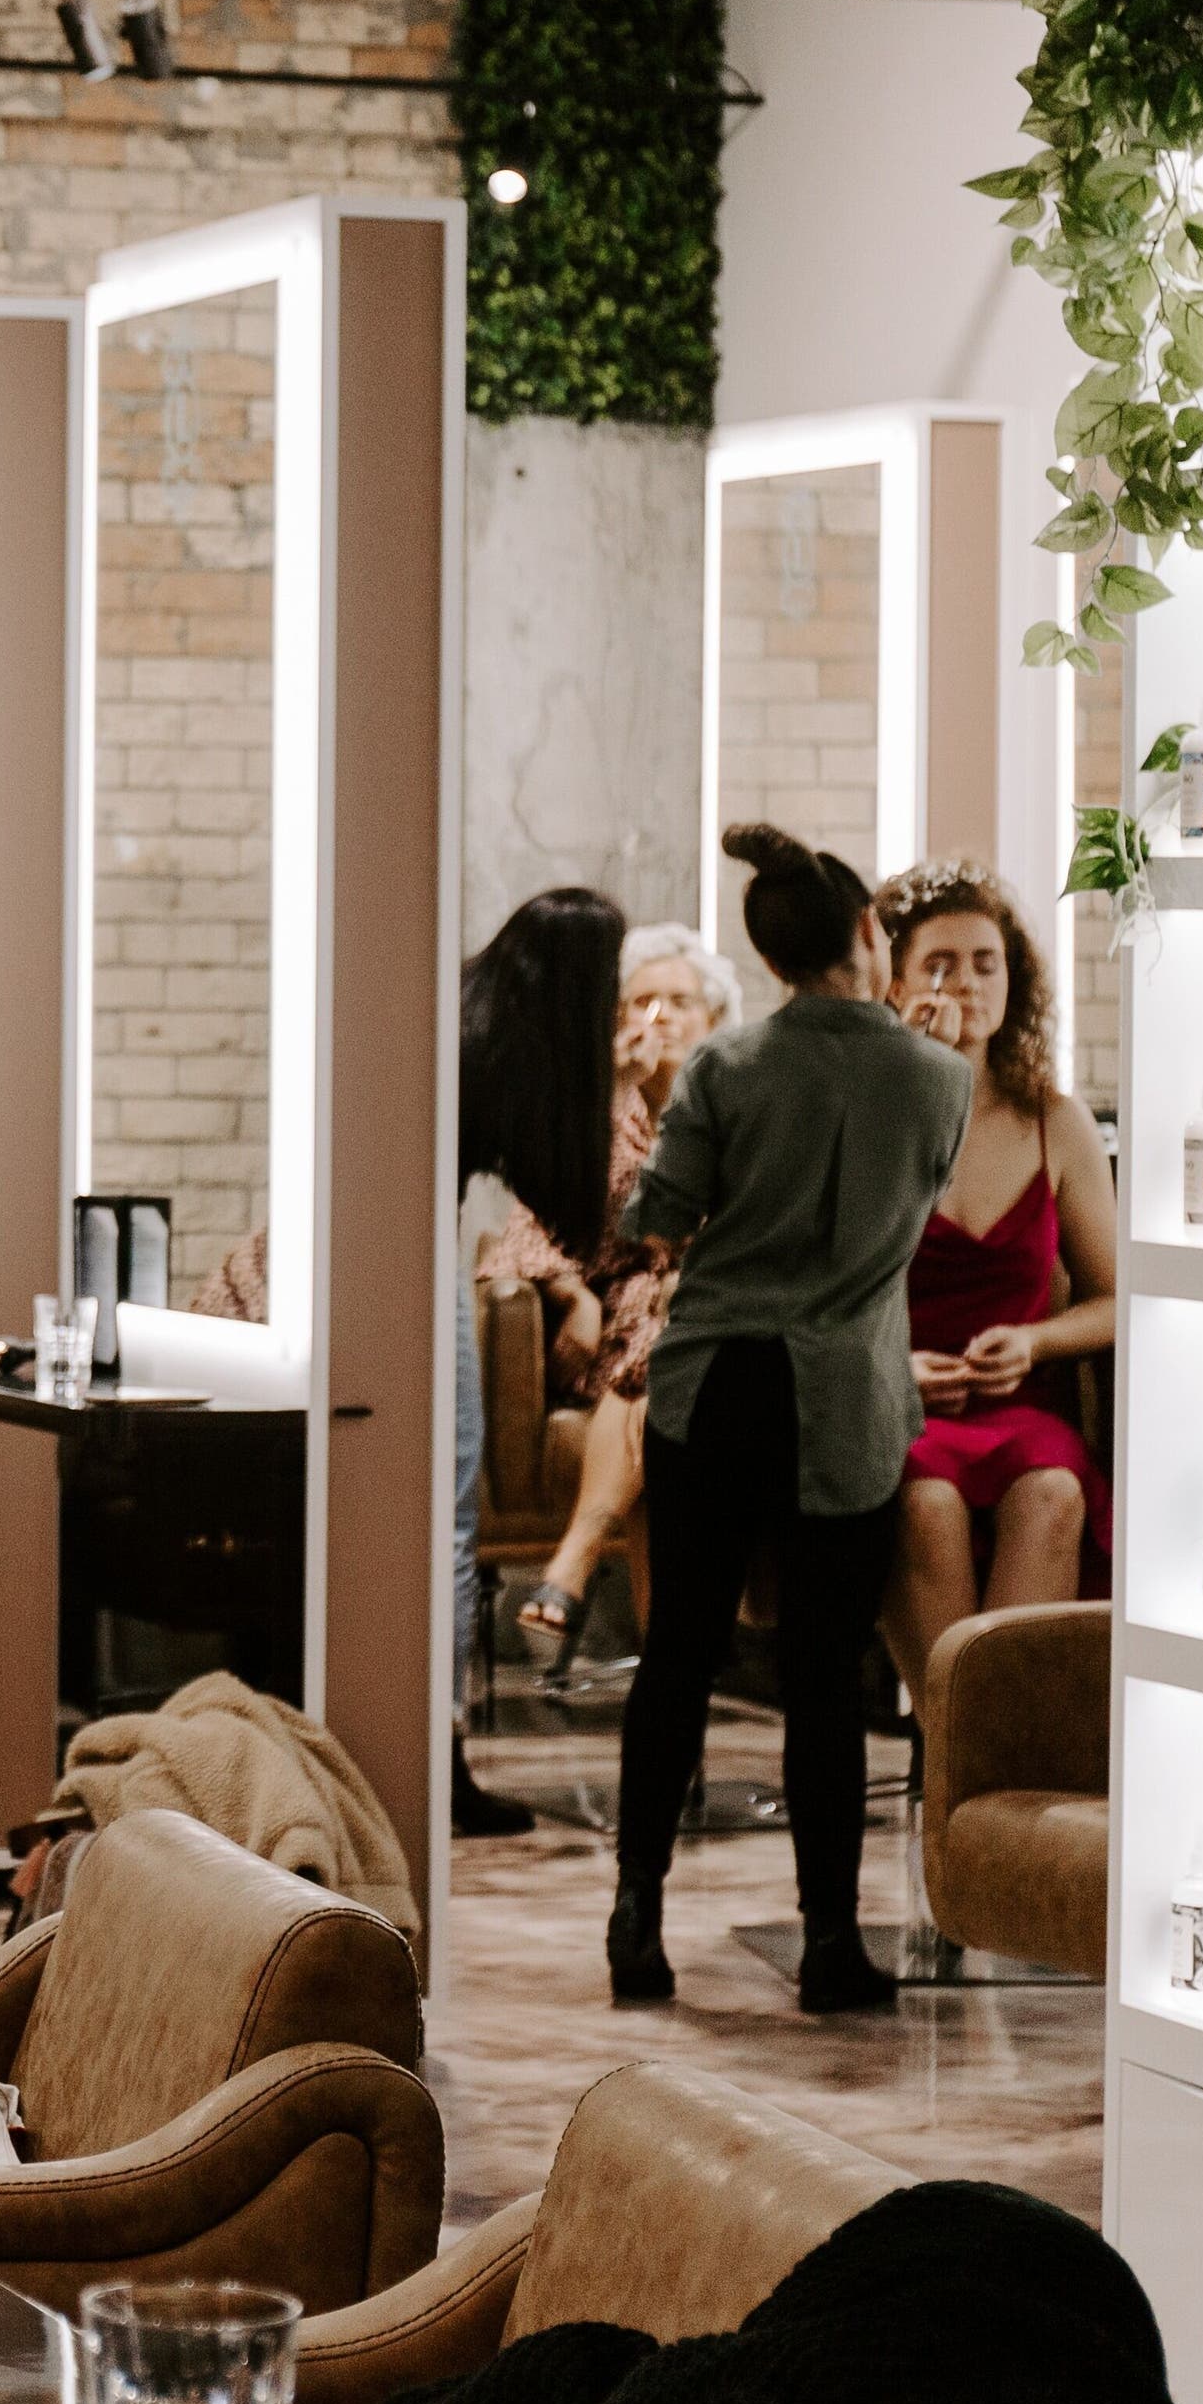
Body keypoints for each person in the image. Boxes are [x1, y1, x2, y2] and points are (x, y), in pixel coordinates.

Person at [610, 824, 969, 2016]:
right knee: (826, 1671)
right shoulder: (938, 1079)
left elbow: (658, 1216)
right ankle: (829, 1944)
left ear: (769, 954)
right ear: (868, 934)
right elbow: (917, 1205)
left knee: (681, 1655)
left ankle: (637, 1920)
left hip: (716, 1385)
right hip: (846, 1395)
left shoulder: (725, 1068)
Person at [872, 861, 1116, 1686]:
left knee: (1053, 1491)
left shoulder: (1057, 1119)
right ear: (895, 982)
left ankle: (1005, 1747)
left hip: (1021, 1408)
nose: (967, 985)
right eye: (939, 964)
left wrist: (1037, 1341)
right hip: (896, 1405)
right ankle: (957, 1758)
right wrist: (890, 1366)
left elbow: (1116, 1299)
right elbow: (817, 1291)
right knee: (925, 1506)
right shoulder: (867, 1116)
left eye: (986, 963)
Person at [511, 920, 742, 1665]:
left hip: (723, 1325)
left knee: (674, 1343)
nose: (660, 1016)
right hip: (615, 1332)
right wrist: (573, 1291)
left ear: (713, 1020)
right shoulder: (595, 1116)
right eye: (641, 1001)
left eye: (679, 1000)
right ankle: (672, 1678)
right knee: (659, 1341)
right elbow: (534, 1224)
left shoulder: (743, 1111)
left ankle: (573, 1561)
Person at [451, 886, 629, 1839]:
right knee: (447, 1503)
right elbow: (564, 1206)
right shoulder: (512, 1058)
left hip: (377, 1252)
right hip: (406, 1262)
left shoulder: (465, 1018)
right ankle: (438, 1752)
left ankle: (437, 1745)